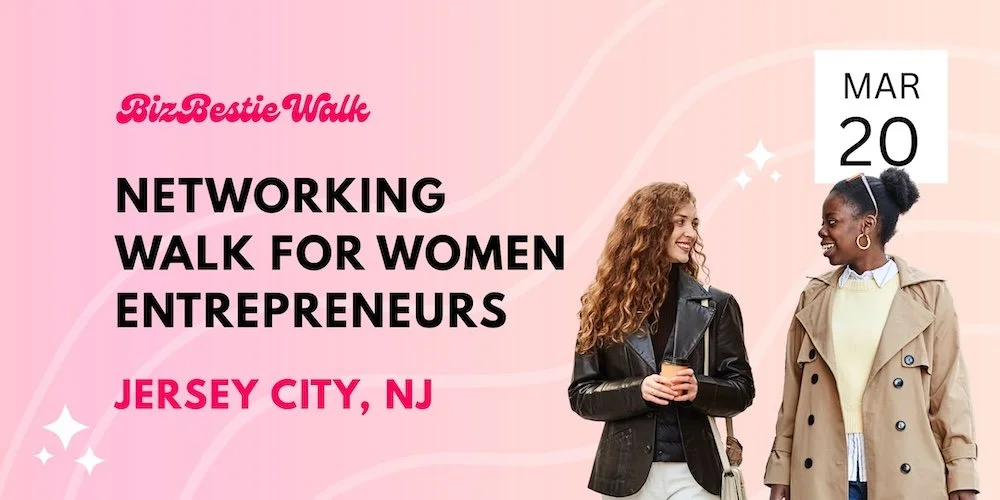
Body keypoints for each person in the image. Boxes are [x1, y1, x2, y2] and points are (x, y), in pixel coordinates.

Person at [763, 168, 980, 500]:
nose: (821, 231)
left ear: (866, 225)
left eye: (831, 222)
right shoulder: (814, 296)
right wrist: (780, 473)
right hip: (821, 476)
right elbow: (791, 397)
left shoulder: (929, 295)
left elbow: (949, 394)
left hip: (907, 476)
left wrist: (962, 478)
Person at [568, 182, 755, 499]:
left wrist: (700, 388)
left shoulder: (718, 305)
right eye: (680, 221)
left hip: (697, 477)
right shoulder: (602, 306)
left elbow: (742, 390)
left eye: (694, 223)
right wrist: (638, 389)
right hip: (624, 477)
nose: (691, 233)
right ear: (649, 227)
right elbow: (582, 395)